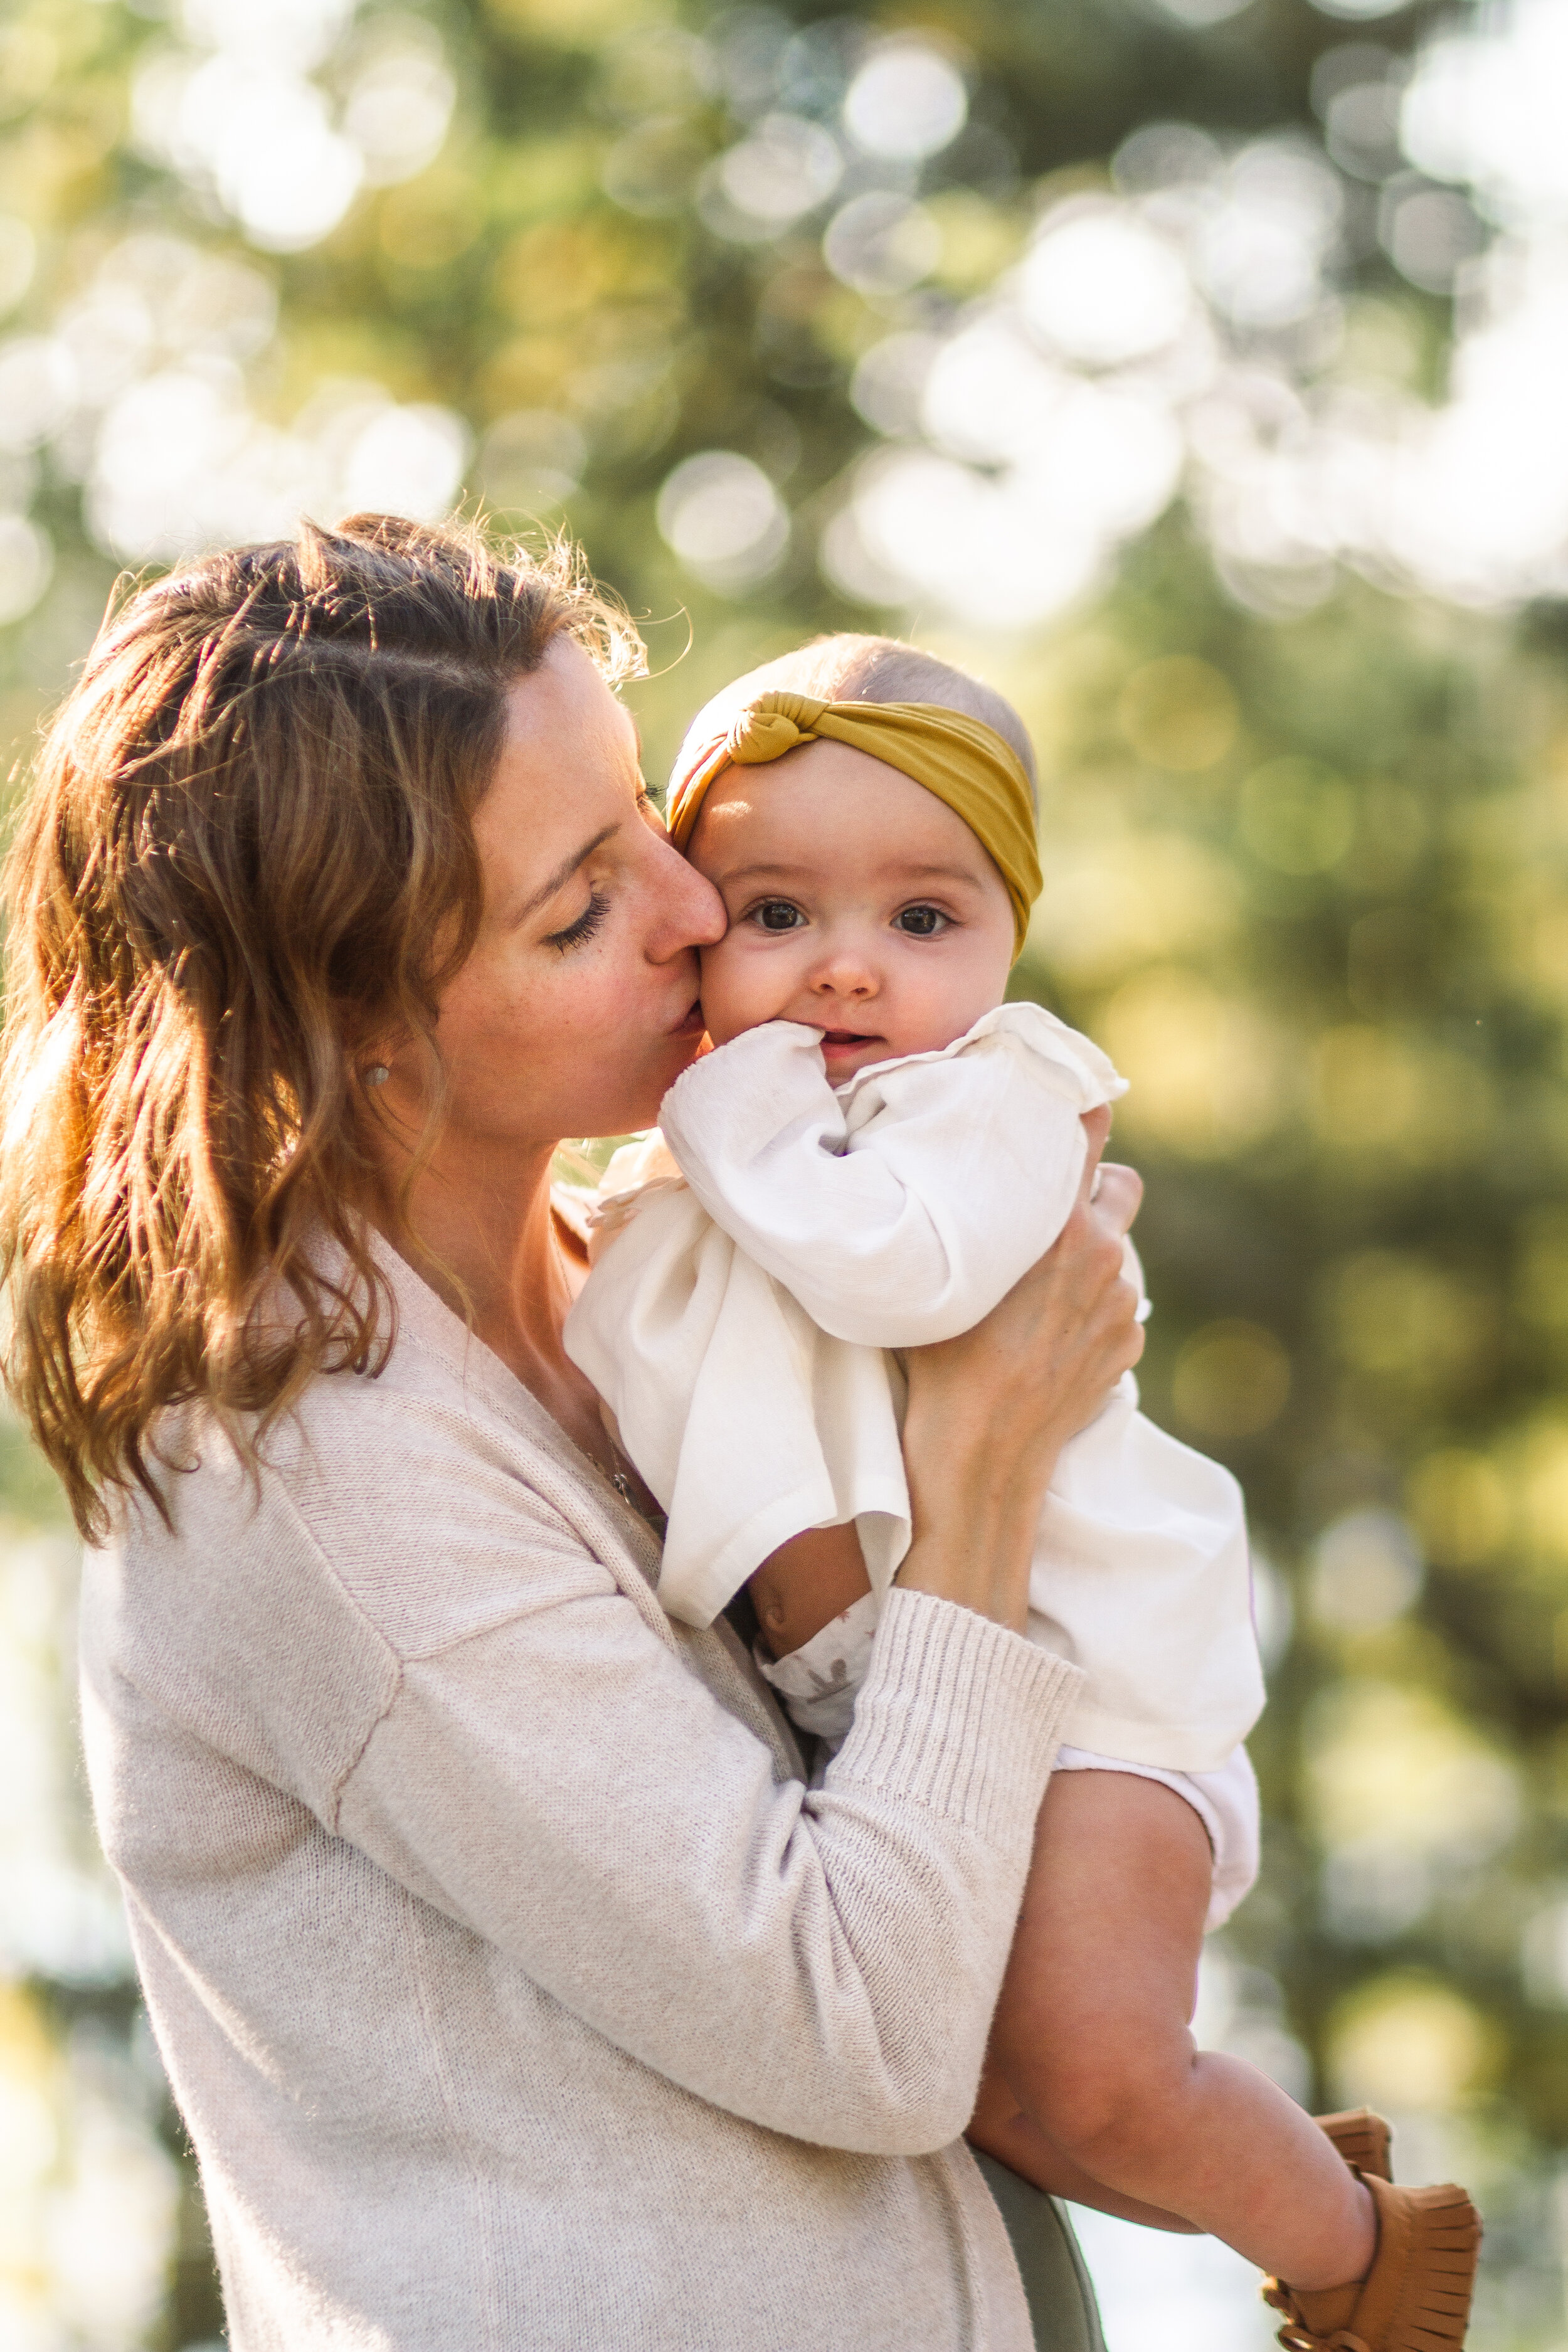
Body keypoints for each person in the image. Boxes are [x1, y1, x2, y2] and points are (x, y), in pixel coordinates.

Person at [0, 514, 1148, 2351]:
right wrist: (988, 1465)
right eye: (581, 904)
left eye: (643, 818)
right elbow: (860, 2028)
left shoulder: (651, 1284)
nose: (700, 907)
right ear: (359, 1023)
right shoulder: (317, 1476)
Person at [563, 631, 1483, 2352]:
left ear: (1005, 939)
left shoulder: (993, 1104)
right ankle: (1272, 2163)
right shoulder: (697, 1179)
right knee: (986, 2094)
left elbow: (893, 1282)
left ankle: (1377, 2269)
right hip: (911, 1715)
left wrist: (725, 1098)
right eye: (776, 915)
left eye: (921, 921)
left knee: (1097, 2082)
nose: (845, 973)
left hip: (1087, 1694)